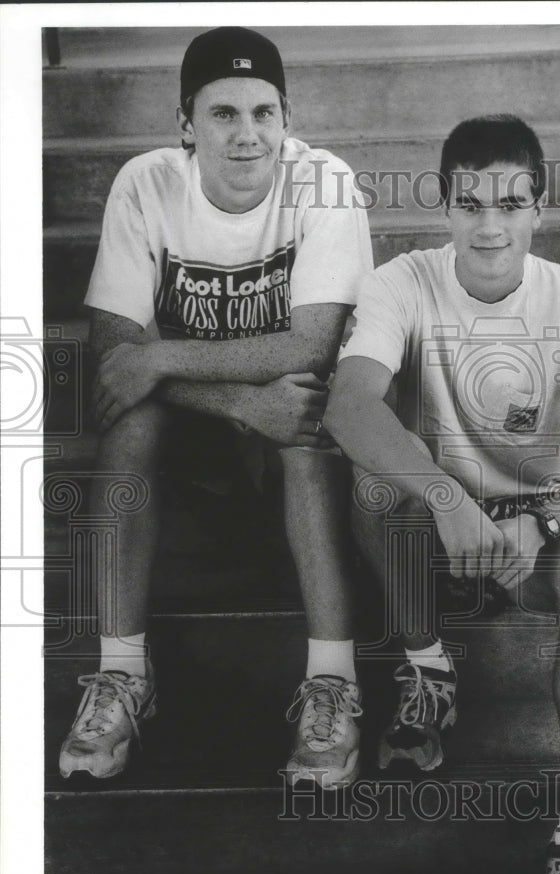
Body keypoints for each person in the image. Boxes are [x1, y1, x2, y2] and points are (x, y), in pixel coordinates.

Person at [324, 114, 560, 874]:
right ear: (445, 206)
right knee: (371, 479)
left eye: (511, 204)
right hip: (443, 514)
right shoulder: (403, 282)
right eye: (471, 204)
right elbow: (349, 408)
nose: (491, 226)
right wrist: (448, 500)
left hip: (541, 516)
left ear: (540, 209)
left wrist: (534, 523)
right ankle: (428, 670)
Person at [58, 27, 373, 789]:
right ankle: (123, 673)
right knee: (128, 426)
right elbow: (112, 349)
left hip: (288, 415)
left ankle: (334, 684)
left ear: (287, 120)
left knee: (301, 421)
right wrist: (238, 404)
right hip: (203, 420)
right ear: (185, 125)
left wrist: (163, 358)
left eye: (265, 113)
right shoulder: (147, 182)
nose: (247, 134)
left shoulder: (325, 181)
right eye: (224, 114)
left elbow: (311, 343)